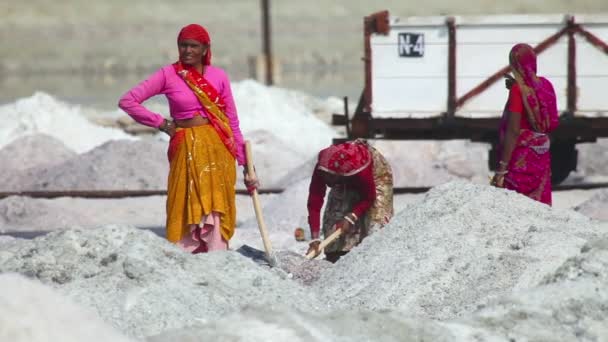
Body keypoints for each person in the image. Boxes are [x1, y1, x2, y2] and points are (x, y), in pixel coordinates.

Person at [118, 24, 258, 253]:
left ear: (205, 49)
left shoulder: (219, 76)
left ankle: (217, 256)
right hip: (185, 147)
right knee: (184, 201)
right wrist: (162, 124)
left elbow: (231, 122)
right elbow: (128, 101)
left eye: (193, 46)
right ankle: (184, 256)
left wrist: (245, 164)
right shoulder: (168, 74)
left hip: (219, 149)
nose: (187, 50)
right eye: (183, 45)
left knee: (216, 205)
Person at [491, 43, 559, 205]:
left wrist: (502, 168)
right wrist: (517, 87)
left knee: (517, 205)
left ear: (515, 64)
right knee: (539, 202)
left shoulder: (518, 91)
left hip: (522, 156)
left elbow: (513, 130)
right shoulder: (546, 85)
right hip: (541, 154)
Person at [306, 139, 394, 262]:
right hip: (344, 174)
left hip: (374, 174)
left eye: (330, 178)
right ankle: (336, 256)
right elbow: (314, 202)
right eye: (326, 177)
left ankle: (375, 258)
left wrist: (352, 216)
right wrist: (314, 238)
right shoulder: (323, 168)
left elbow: (369, 197)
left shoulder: (360, 171)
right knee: (334, 217)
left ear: (339, 173)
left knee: (376, 220)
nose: (327, 181)